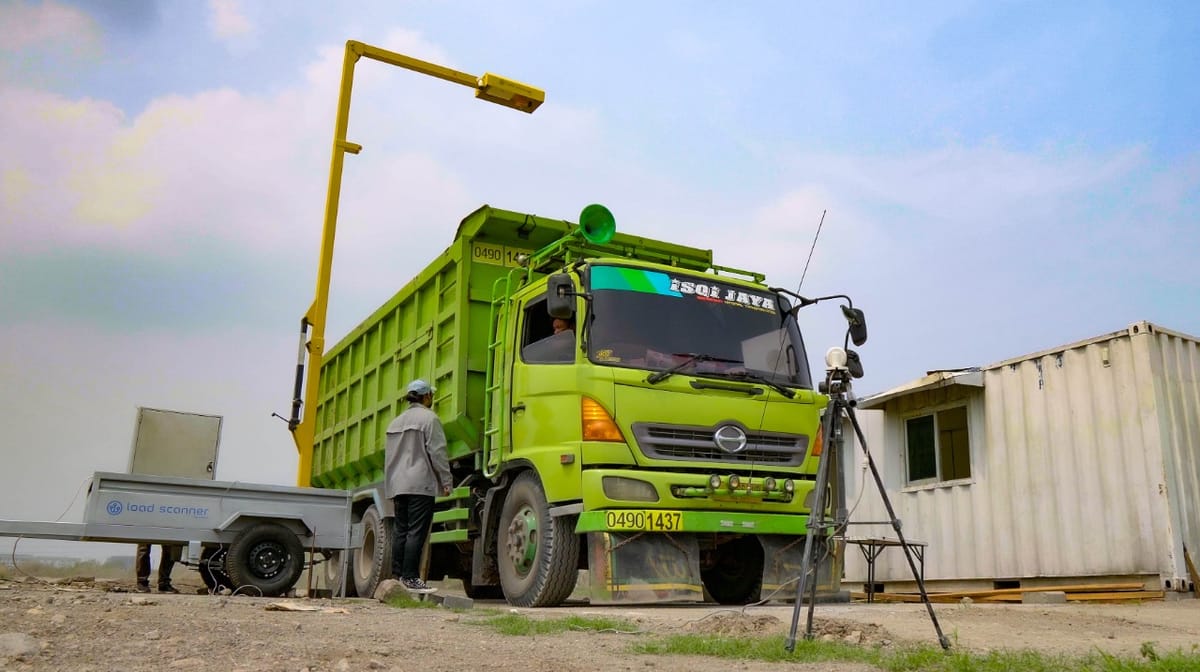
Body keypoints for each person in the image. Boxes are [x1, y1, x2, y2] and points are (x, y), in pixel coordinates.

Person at [384, 378, 453, 593]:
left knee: (400, 531)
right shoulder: (429, 419)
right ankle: (411, 578)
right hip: (420, 484)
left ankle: (397, 577)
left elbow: (389, 458)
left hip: (398, 484)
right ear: (426, 397)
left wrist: (390, 484)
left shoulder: (395, 422)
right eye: (430, 395)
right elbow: (438, 453)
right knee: (416, 531)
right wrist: (446, 481)